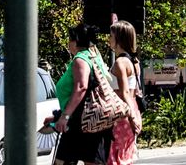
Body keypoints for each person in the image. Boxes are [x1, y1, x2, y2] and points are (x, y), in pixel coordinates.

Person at [48, 23, 113, 165]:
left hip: (79, 121)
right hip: (92, 119)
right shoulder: (94, 56)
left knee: (62, 162)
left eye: (70, 40)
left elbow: (81, 87)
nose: (68, 44)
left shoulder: (80, 60)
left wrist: (65, 117)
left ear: (76, 41)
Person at [108, 21, 141, 165]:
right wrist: (135, 115)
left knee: (116, 158)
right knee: (125, 156)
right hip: (132, 109)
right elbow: (135, 92)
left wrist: (132, 117)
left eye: (111, 36)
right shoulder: (134, 61)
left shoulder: (120, 63)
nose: (109, 39)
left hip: (122, 113)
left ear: (119, 39)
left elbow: (125, 91)